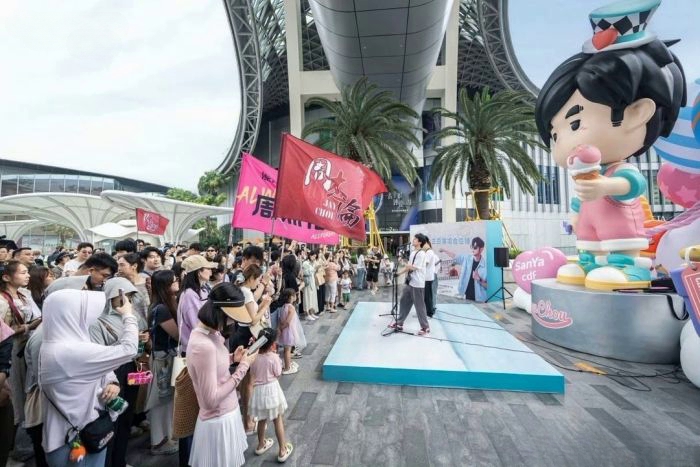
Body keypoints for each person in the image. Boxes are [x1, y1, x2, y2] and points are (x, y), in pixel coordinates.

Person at [534, 3, 685, 289]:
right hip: (590, 230)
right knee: (588, 248)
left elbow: (633, 185)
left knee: (620, 246)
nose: (562, 143)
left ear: (638, 113)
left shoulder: (618, 169)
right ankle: (589, 263)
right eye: (555, 135)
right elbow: (580, 201)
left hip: (620, 228)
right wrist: (576, 213)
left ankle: (630, 269)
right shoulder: (586, 172)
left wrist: (605, 186)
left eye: (574, 124)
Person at [39, 288, 137, 467]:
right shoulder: (68, 351)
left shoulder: (57, 343)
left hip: (69, 436)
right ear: (70, 315)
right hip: (75, 442)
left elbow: (97, 366)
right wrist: (128, 315)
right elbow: (129, 349)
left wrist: (112, 382)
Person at [187, 283, 258, 467]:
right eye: (231, 317)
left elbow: (213, 366)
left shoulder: (209, 335)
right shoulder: (204, 345)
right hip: (218, 421)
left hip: (226, 414)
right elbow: (210, 400)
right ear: (220, 313)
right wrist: (243, 367)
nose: (232, 322)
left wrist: (233, 358)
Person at [88, 278, 148, 467]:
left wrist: (142, 338)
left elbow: (140, 338)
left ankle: (119, 460)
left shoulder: (133, 315)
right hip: (112, 372)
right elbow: (98, 352)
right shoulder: (97, 321)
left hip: (132, 366)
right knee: (111, 417)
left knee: (126, 416)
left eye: (130, 296)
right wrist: (125, 343)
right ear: (110, 296)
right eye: (122, 296)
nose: (126, 300)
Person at [233, 265, 273, 436]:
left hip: (241, 334)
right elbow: (253, 320)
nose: (258, 283)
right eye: (258, 280)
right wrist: (265, 305)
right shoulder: (247, 292)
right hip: (248, 335)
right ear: (252, 278)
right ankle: (248, 421)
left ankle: (246, 419)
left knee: (245, 378)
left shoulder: (242, 290)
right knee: (249, 380)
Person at [0, 260, 37, 445]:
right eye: (22, 272)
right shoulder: (1, 301)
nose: (28, 275)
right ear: (7, 277)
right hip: (11, 351)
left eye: (27, 272)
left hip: (25, 348)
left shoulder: (24, 294)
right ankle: (11, 442)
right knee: (13, 391)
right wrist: (27, 327)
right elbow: (3, 333)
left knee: (23, 390)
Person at [145, 270, 180, 456]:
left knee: (165, 400)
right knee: (161, 400)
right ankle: (158, 442)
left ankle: (165, 438)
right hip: (163, 359)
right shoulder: (162, 309)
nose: (177, 282)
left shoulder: (160, 306)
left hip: (163, 357)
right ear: (166, 285)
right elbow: (177, 334)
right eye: (174, 280)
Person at [248, 327, 293, 463]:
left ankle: (261, 444)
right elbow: (278, 373)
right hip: (272, 390)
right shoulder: (273, 357)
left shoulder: (253, 357)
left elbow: (252, 373)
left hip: (259, 391)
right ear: (272, 344)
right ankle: (282, 450)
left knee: (261, 419)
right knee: (277, 419)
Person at [389, 234, 430, 335]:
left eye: (415, 239)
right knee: (404, 301)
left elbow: (414, 267)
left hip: (418, 284)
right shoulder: (413, 253)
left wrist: (403, 263)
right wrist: (399, 273)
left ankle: (425, 327)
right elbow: (409, 267)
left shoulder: (421, 254)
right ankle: (399, 323)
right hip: (410, 282)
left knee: (419, 306)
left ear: (420, 242)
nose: (413, 240)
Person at [177, 255, 217, 352]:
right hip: (196, 349)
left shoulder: (202, 290)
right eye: (208, 269)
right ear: (199, 272)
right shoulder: (189, 295)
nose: (211, 272)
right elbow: (198, 324)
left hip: (203, 344)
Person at [440, 237, 488, 302]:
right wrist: (444, 250)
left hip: (479, 299)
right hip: (466, 296)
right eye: (472, 247)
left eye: (475, 247)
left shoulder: (485, 266)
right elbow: (454, 256)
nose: (472, 249)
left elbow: (488, 286)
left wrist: (479, 279)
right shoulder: (466, 259)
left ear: (481, 249)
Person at [277, 288, 305, 375]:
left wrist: (281, 328)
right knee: (287, 350)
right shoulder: (291, 307)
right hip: (289, 331)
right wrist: (282, 328)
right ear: (290, 297)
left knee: (287, 349)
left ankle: (288, 364)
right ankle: (287, 367)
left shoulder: (283, 307)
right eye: (294, 295)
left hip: (285, 331)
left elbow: (281, 320)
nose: (295, 297)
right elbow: (288, 322)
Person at [301, 251, 320, 318]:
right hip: (307, 283)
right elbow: (305, 273)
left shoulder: (313, 263)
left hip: (312, 282)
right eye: (313, 256)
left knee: (312, 298)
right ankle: (307, 314)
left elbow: (313, 273)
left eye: (315, 257)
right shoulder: (305, 263)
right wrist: (314, 269)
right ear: (310, 255)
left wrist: (316, 269)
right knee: (307, 298)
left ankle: (312, 313)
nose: (314, 258)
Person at [423, 240, 438, 317]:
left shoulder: (429, 252)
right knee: (428, 295)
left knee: (429, 295)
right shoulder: (428, 252)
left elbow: (425, 264)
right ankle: (430, 310)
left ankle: (430, 311)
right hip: (429, 276)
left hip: (429, 276)